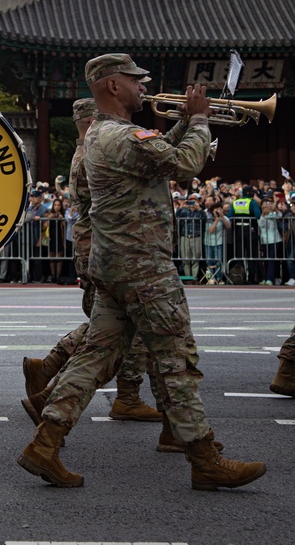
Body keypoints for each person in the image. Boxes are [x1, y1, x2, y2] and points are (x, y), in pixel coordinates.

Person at [17, 53, 266, 491]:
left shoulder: (102, 135)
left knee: (95, 356)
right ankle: (204, 458)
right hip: (144, 267)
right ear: (113, 86)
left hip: (114, 265)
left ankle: (45, 444)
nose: (142, 88)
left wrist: (184, 122)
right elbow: (184, 164)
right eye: (135, 81)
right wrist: (201, 121)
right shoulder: (124, 136)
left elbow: (158, 154)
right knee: (177, 359)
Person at [21, 97, 161, 426]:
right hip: (102, 245)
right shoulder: (90, 154)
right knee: (118, 327)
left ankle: (50, 370)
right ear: (89, 121)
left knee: (110, 324)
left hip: (96, 244)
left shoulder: (86, 151)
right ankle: (120, 397)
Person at [227, 185, 261, 283]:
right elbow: (258, 215)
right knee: (251, 255)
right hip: (250, 230)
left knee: (239, 254)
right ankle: (251, 279)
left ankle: (240, 278)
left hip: (238, 231)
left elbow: (229, 215)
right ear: (249, 193)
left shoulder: (235, 202)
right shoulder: (252, 202)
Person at [176, 196, 205, 280]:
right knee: (185, 258)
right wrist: (181, 207)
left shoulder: (199, 211)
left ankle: (194, 277)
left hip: (196, 237)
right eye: (190, 201)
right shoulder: (184, 211)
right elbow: (176, 218)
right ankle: (187, 277)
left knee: (195, 258)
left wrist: (199, 208)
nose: (192, 203)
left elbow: (204, 218)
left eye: (194, 201)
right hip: (185, 237)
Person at [203, 199, 230, 284]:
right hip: (208, 243)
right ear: (212, 211)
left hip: (219, 242)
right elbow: (210, 230)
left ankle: (219, 278)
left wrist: (221, 217)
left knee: (219, 260)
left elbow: (229, 226)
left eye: (220, 209)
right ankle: (211, 278)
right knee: (209, 261)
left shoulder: (224, 218)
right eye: (216, 209)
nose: (218, 211)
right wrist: (217, 220)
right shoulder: (209, 218)